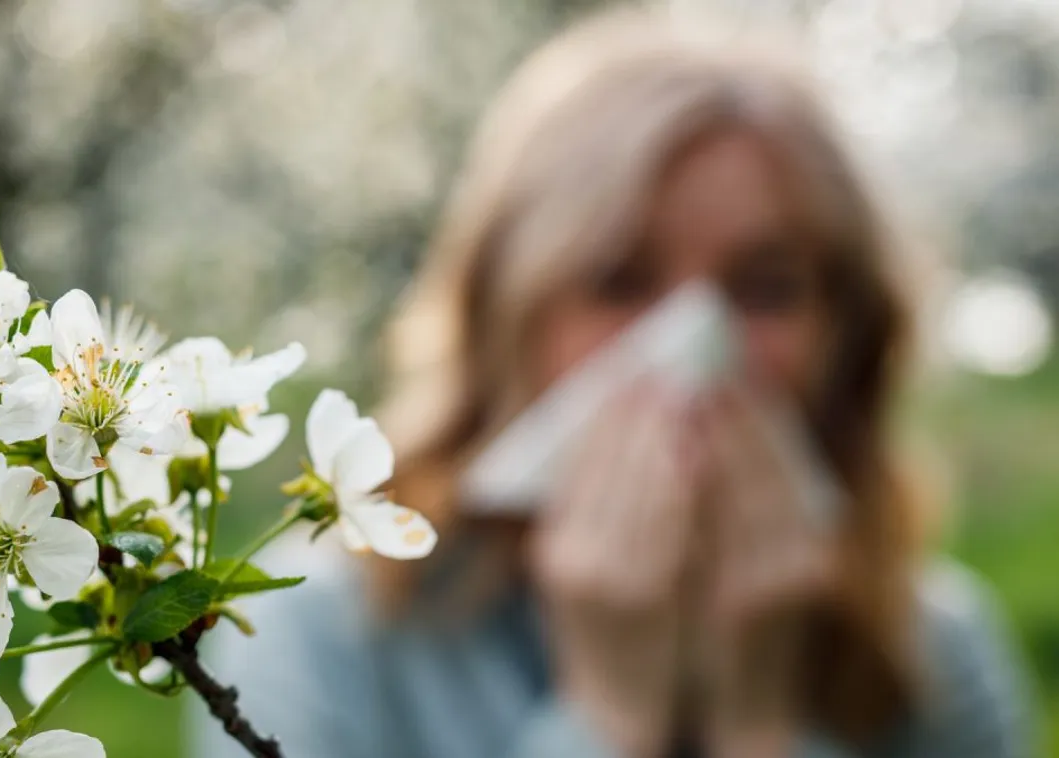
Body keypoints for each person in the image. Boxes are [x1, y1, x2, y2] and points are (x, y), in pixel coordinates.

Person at [194, 8, 1036, 758]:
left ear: (845, 335)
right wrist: (608, 713)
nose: (693, 349)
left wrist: (758, 724)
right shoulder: (324, 638)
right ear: (505, 313)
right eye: (618, 279)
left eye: (766, 287)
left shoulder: (933, 656)